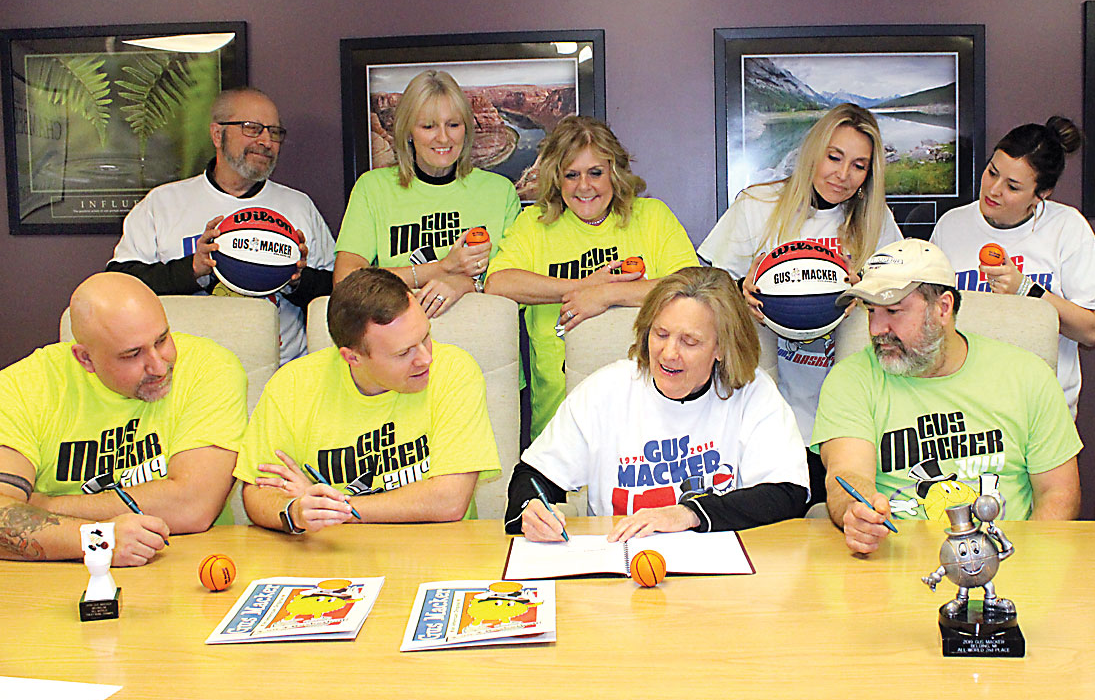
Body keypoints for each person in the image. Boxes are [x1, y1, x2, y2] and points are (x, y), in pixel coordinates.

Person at [811, 239, 1081, 555]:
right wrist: (858, 511)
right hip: (895, 562)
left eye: (894, 311)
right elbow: (848, 474)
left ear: (943, 308)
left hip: (1007, 561)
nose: (876, 329)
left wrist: (1027, 564)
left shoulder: (1027, 374)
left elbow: (1059, 493)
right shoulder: (850, 379)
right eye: (871, 311)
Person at [507, 267, 808, 541]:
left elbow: (787, 493)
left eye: (689, 342)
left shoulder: (752, 391)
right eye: (660, 334)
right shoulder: (604, 391)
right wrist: (531, 508)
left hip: (720, 568)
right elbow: (533, 477)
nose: (669, 354)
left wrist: (689, 514)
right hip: (620, 563)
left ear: (721, 348)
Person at [699, 103, 903, 503]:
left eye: (859, 166)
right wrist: (740, 290)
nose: (843, 175)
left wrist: (866, 291)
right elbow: (708, 285)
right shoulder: (758, 205)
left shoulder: (874, 218)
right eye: (834, 157)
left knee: (838, 512)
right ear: (813, 151)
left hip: (840, 401)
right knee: (776, 514)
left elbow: (899, 295)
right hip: (768, 390)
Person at [0, 272, 249, 562]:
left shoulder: (210, 367)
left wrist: (42, 507)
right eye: (132, 355)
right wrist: (98, 540)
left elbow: (193, 507)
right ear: (85, 359)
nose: (158, 367)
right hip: (59, 571)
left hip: (191, 562)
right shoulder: (23, 387)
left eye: (162, 340)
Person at [236, 267, 501, 533]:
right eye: (404, 353)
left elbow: (449, 501)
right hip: (331, 551)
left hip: (436, 546)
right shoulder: (292, 385)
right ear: (352, 357)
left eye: (425, 337)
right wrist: (296, 512)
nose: (426, 358)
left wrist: (337, 508)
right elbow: (258, 494)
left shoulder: (454, 369)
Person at [485, 116, 699, 438]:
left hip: (650, 418)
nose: (584, 186)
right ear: (557, 178)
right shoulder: (535, 223)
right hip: (561, 423)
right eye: (571, 175)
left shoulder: (651, 216)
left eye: (595, 173)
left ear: (614, 172)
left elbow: (692, 284)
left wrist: (606, 295)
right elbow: (497, 283)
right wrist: (582, 287)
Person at [108, 87, 336, 364]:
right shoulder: (163, 203)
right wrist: (193, 269)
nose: (266, 141)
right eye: (252, 128)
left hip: (281, 369)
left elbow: (336, 289)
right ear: (218, 134)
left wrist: (297, 280)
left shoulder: (299, 206)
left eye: (275, 132)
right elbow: (119, 283)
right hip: (187, 368)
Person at [930, 117, 1095, 417]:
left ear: (1041, 194)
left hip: (1042, 408)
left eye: (1012, 186)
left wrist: (1026, 290)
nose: (993, 190)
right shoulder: (952, 225)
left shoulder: (1067, 227)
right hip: (964, 406)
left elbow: (1092, 330)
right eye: (992, 172)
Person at [334, 70, 520, 319]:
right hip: (396, 334)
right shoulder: (373, 188)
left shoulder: (500, 191)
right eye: (428, 126)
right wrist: (441, 269)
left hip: (479, 332)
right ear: (409, 131)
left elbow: (515, 282)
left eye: (453, 125)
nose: (443, 137)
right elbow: (345, 282)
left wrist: (465, 284)